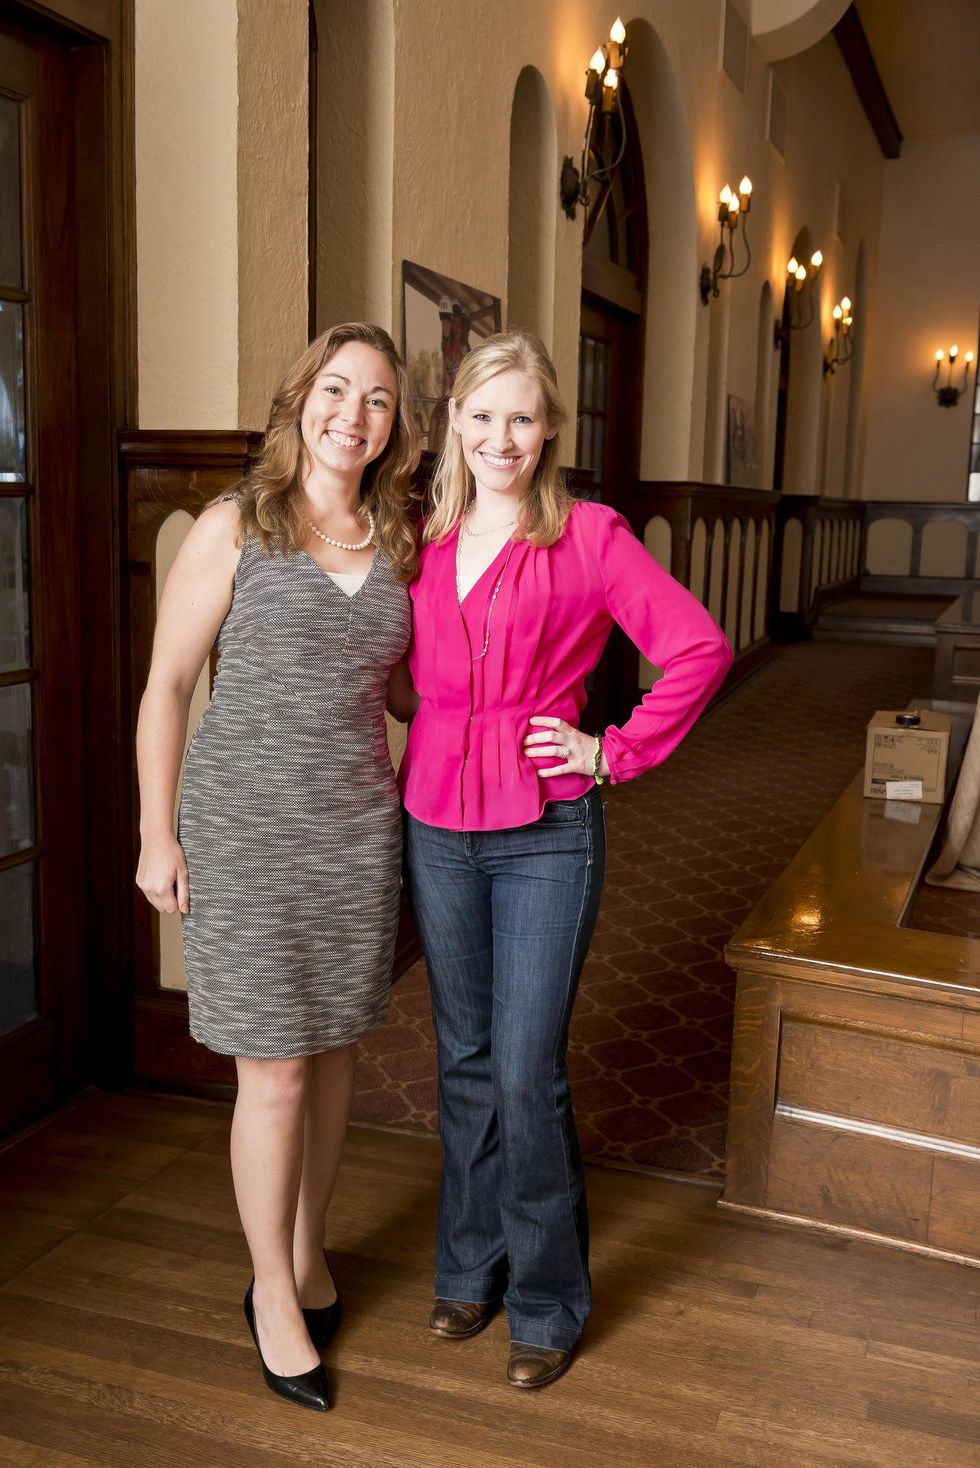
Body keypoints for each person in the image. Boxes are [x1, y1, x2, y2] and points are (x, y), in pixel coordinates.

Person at [397, 330, 732, 1390]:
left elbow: (698, 647)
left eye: (522, 418)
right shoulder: (423, 536)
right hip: (436, 822)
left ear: (550, 431)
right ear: (454, 419)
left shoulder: (588, 535)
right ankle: (469, 1262)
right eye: (482, 415)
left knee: (523, 1064)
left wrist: (612, 748)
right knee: (459, 1056)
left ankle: (545, 1298)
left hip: (545, 825)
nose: (501, 436)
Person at [135, 322, 420, 1412]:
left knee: (337, 1049)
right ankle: (268, 1291)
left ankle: (306, 1251)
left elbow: (397, 692)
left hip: (355, 833)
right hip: (245, 831)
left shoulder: (396, 537)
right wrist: (157, 834)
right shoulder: (234, 525)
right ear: (301, 399)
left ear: (396, 427)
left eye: (379, 401)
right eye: (337, 390)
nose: (354, 415)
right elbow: (166, 686)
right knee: (278, 1071)